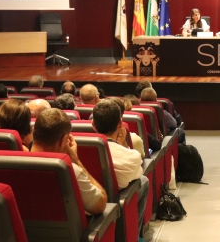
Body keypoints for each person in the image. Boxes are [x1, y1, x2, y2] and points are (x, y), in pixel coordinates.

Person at [31, 108, 107, 215]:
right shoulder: (70, 171)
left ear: (33, 130)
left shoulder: (10, 162)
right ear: (63, 141)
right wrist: (76, 161)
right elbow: (100, 204)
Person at [92, 99, 149, 237]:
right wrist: (123, 144)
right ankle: (135, 236)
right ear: (120, 124)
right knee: (144, 181)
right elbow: (136, 174)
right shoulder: (132, 156)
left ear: (93, 125)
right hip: (112, 202)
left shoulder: (75, 149)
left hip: (85, 202)